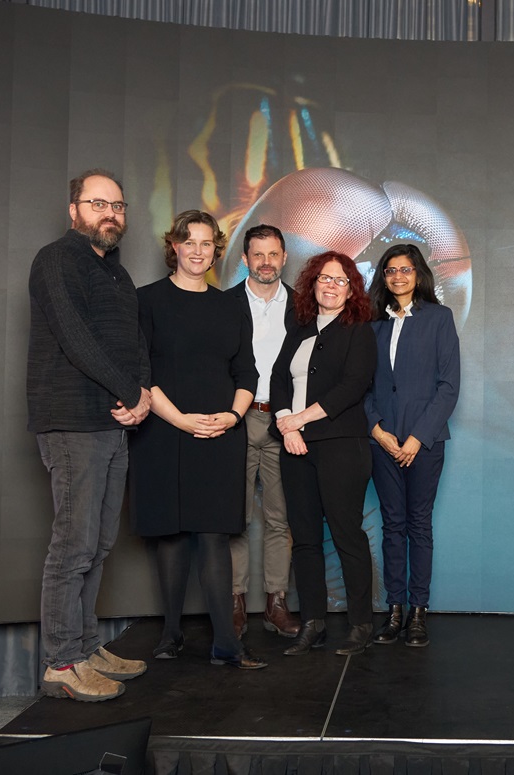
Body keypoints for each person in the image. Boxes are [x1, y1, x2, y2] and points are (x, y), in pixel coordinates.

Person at [28, 169, 151, 702]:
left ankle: (83, 645)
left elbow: (134, 341)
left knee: (99, 545)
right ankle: (60, 664)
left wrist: (141, 392)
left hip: (112, 421)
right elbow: (75, 337)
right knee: (72, 548)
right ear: (73, 209)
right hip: (73, 421)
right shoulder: (57, 259)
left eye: (118, 206)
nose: (110, 214)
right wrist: (130, 392)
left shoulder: (116, 274)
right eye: (99, 203)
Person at [128, 210, 267, 670]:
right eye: (189, 241)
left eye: (206, 243)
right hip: (165, 431)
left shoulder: (231, 304)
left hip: (221, 433)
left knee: (213, 536)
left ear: (216, 251)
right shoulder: (146, 300)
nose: (197, 250)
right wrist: (182, 421)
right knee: (170, 535)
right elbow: (140, 372)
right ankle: (169, 634)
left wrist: (231, 416)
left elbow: (246, 371)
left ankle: (226, 643)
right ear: (174, 246)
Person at [270, 251, 377, 656]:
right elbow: (279, 378)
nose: (331, 286)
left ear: (351, 290)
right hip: (294, 446)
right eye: (324, 279)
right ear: (312, 284)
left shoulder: (359, 331)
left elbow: (352, 387)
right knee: (306, 540)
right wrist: (285, 421)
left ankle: (361, 624)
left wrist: (301, 421)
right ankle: (312, 624)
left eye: (340, 280)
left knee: (347, 535)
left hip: (340, 447)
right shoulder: (299, 328)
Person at [365, 243, 460, 648]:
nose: (398, 276)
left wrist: (417, 438)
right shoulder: (371, 324)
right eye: (390, 270)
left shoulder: (439, 318)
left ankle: (418, 612)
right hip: (383, 441)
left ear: (418, 274)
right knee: (392, 526)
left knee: (419, 525)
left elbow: (448, 386)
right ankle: (395, 610)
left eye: (405, 269)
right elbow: (363, 386)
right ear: (383, 277)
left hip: (425, 442)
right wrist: (378, 431)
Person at [226, 224, 300, 640]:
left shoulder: (303, 307)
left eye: (274, 254)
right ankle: (235, 602)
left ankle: (276, 602)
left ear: (284, 258)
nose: (266, 262)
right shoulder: (225, 304)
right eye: (258, 255)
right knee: (236, 515)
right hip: (240, 417)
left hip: (285, 420)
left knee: (279, 517)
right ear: (245, 259)